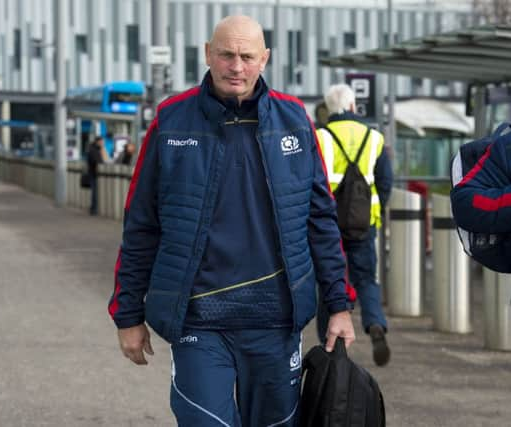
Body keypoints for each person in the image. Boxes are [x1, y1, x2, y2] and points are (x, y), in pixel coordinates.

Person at [108, 15, 355, 427]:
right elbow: (141, 225)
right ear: (208, 53)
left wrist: (340, 305)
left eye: (246, 56)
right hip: (199, 322)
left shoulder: (295, 121)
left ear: (265, 59)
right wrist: (128, 313)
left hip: (277, 322)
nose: (236, 67)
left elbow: (321, 222)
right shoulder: (171, 121)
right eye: (225, 54)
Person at [316, 83, 393, 367]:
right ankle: (375, 325)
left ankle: (329, 345)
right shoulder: (374, 138)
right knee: (364, 278)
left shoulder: (321, 137)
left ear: (329, 108)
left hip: (328, 224)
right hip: (363, 222)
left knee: (329, 279)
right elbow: (385, 182)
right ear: (352, 106)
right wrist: (374, 211)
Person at [86, 136, 107, 215]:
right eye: (101, 142)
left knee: (95, 192)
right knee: (95, 192)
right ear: (97, 142)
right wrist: (102, 150)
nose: (103, 144)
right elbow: (100, 161)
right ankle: (93, 209)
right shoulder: (94, 150)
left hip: (94, 173)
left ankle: (93, 208)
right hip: (94, 174)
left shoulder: (94, 149)